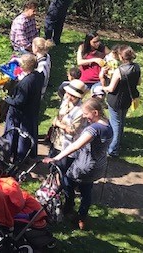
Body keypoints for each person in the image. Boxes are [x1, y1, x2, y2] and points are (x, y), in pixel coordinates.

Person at [44, 98, 113, 230]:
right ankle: (82, 217)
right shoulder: (107, 124)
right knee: (87, 190)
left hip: (84, 165)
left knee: (67, 182)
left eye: (86, 114)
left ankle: (68, 207)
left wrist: (56, 158)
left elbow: (76, 145)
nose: (85, 117)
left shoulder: (94, 129)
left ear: (95, 112)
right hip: (99, 164)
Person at [101, 45, 141, 157]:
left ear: (121, 57)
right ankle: (118, 143)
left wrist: (102, 84)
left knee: (115, 124)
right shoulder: (137, 67)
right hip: (128, 99)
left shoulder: (119, 70)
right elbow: (139, 83)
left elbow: (111, 88)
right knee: (121, 121)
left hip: (115, 100)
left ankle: (113, 150)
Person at [4, 54, 44, 160]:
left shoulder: (26, 83)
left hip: (20, 113)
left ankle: (15, 155)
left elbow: (18, 101)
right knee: (29, 134)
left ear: (25, 66)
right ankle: (28, 154)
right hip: (32, 109)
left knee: (17, 134)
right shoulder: (38, 76)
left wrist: (6, 98)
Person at [47, 79, 87, 173]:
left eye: (73, 95)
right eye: (68, 93)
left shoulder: (80, 111)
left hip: (67, 145)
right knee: (51, 164)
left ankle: (59, 185)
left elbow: (72, 130)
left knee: (61, 169)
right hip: (56, 139)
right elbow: (59, 116)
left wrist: (58, 124)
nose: (69, 96)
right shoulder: (65, 100)